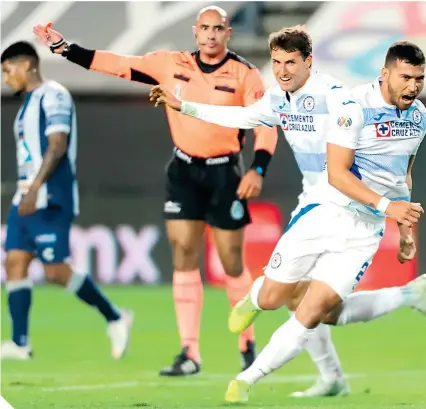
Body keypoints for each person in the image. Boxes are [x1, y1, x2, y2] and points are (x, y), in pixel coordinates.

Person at [150, 27, 426, 400]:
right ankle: (263, 302)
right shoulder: (295, 100)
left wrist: (401, 225)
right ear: (385, 74)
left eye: (291, 62)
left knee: (314, 310)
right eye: (277, 63)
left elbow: (400, 176)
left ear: (309, 61)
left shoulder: (357, 103)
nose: (283, 70)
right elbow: (242, 117)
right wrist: (184, 106)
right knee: (282, 299)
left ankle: (248, 379)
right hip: (322, 207)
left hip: (360, 221)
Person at [33, 6, 278, 376]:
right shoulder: (170, 63)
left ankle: (247, 345)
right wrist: (64, 48)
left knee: (231, 262)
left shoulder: (245, 74)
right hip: (183, 169)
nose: (211, 35)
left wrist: (258, 168)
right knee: (182, 253)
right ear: (196, 32)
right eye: (205, 28)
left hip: (225, 173)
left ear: (229, 34)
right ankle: (189, 353)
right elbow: (116, 63)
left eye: (219, 29)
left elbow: (266, 123)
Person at [1, 41, 133, 360]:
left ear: (27, 65)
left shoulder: (54, 95)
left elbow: (57, 145)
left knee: (55, 271)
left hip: (50, 195)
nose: (5, 79)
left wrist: (35, 188)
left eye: (7, 71)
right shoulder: (27, 105)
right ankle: (20, 343)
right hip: (26, 195)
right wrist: (26, 190)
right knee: (14, 261)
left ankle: (116, 316)